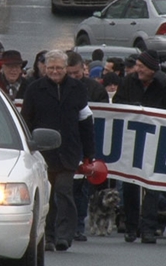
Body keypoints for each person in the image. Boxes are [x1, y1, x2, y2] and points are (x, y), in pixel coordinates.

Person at [21, 50, 96, 252]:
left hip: (69, 152)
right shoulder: (34, 89)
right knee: (46, 195)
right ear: (45, 68)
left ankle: (64, 235)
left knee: (64, 192)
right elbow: (26, 120)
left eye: (59, 68)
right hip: (42, 154)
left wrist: (89, 154)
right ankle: (48, 236)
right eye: (51, 67)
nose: (55, 71)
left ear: (65, 69)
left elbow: (85, 121)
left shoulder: (77, 89)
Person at [112, 50, 166, 244]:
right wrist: (133, 108)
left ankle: (149, 229)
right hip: (132, 140)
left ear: (152, 70)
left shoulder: (164, 85)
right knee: (130, 185)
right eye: (138, 66)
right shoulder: (128, 82)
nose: (138, 70)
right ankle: (131, 226)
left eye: (142, 67)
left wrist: (164, 86)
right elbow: (117, 104)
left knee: (152, 185)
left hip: (155, 141)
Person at [65, 51, 108, 242]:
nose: (74, 77)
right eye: (70, 74)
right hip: (65, 144)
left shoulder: (94, 89)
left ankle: (78, 226)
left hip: (82, 143)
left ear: (84, 69)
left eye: (77, 73)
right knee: (65, 188)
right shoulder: (59, 87)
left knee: (81, 189)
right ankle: (64, 225)